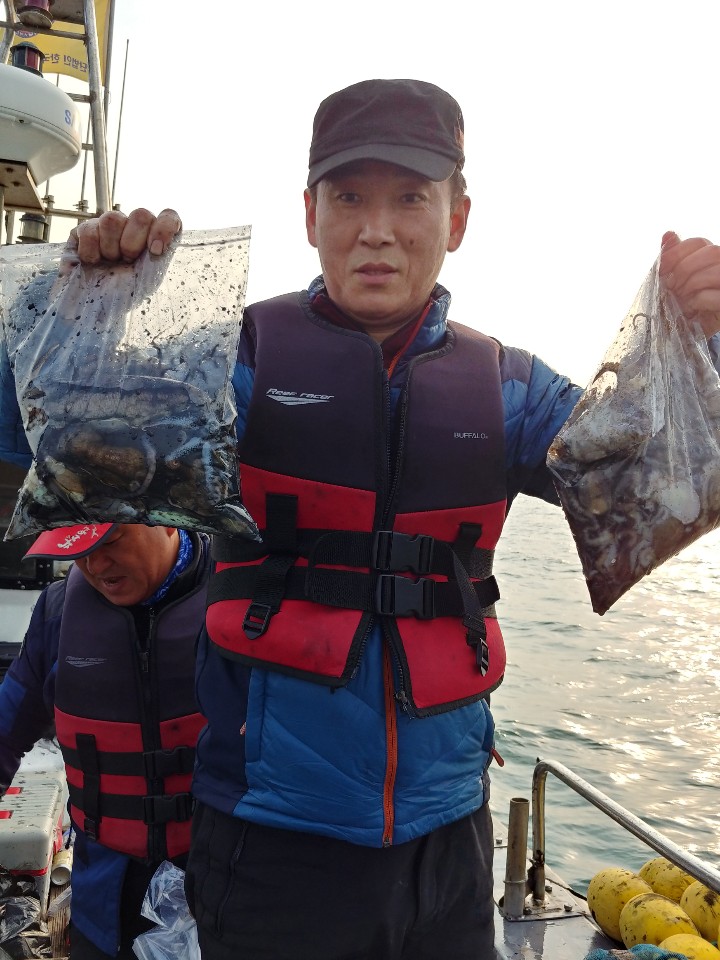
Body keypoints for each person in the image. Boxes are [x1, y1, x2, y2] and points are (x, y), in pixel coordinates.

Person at [3, 78, 720, 960]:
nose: (377, 229)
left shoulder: (512, 389)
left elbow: (655, 487)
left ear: (458, 218)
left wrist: (707, 341)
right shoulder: (231, 366)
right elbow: (33, 439)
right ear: (310, 215)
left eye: (410, 197)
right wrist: (79, 310)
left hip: (448, 842)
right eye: (348, 198)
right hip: (270, 843)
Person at [0, 521, 211, 960]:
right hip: (103, 907)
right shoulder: (58, 613)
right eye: (77, 550)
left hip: (224, 897)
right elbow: (5, 729)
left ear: (167, 522)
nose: (95, 565)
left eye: (111, 542)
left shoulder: (237, 600)